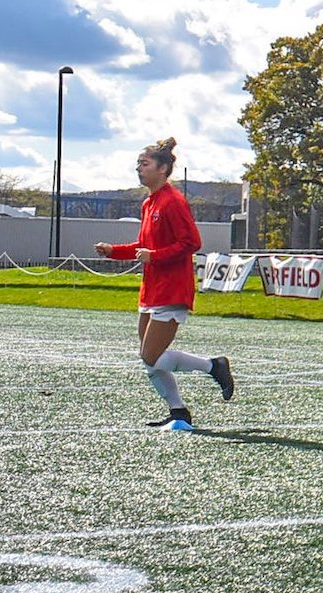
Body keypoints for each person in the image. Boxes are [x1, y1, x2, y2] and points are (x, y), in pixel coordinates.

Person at [95, 137, 232, 428]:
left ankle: (213, 366)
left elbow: (191, 242)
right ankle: (178, 411)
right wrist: (113, 251)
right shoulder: (149, 203)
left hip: (172, 288)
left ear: (163, 168)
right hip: (152, 289)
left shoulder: (173, 201)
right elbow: (143, 246)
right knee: (149, 359)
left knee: (150, 356)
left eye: (144, 164)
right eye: (138, 164)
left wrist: (154, 256)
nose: (139, 169)